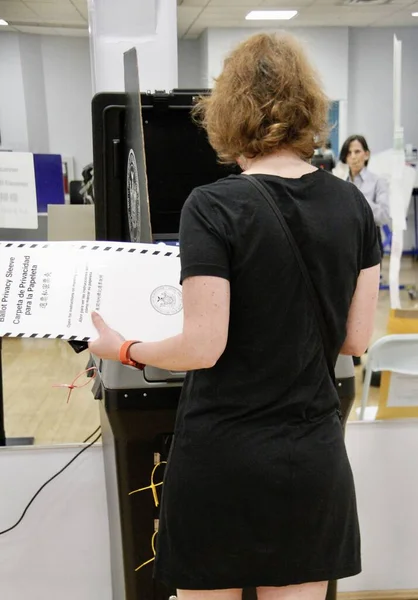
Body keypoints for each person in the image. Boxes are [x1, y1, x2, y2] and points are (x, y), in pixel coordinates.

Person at [89, 33, 381, 600]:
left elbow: (202, 346)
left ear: (229, 112)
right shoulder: (353, 204)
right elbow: (356, 338)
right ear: (307, 108)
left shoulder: (214, 204)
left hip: (224, 460)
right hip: (311, 460)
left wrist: (125, 350)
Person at [337, 135, 390, 256]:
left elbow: (384, 216)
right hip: (345, 242)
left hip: (370, 241)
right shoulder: (340, 183)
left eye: (357, 151)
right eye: (349, 153)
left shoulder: (378, 181)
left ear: (366, 154)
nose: (353, 156)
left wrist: (359, 199)